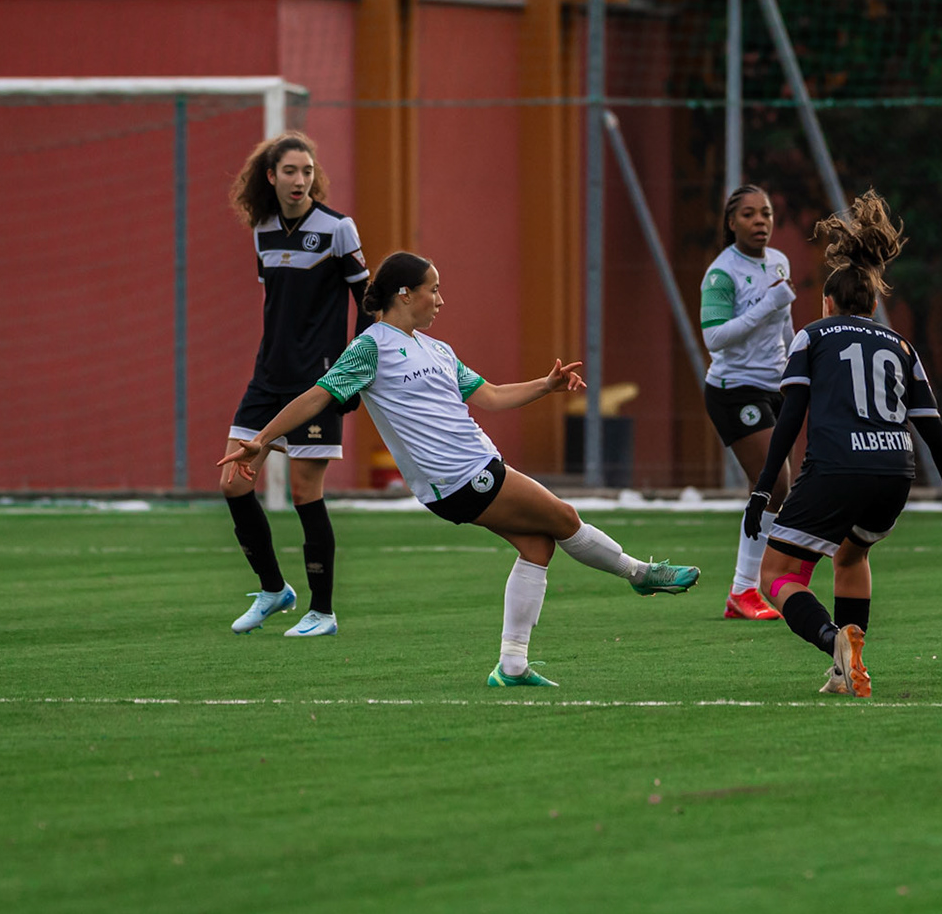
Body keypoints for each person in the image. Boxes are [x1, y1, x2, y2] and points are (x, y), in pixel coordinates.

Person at [220, 251, 701, 686]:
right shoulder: (372, 346)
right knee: (565, 517)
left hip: (474, 471)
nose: (440, 300)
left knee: (538, 545)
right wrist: (260, 440)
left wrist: (547, 384)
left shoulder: (438, 350)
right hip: (459, 477)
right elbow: (319, 394)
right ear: (404, 294)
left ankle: (512, 665)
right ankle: (640, 573)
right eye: (433, 288)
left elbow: (490, 395)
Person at [741, 190, 942, 698]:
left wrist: (764, 490)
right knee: (851, 557)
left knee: (776, 575)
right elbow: (936, 434)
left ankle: (833, 640)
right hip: (895, 476)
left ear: (828, 302)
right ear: (873, 304)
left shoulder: (813, 336)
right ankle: (846, 671)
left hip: (836, 468)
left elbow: (790, 418)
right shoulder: (901, 346)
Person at [221, 132, 369, 638]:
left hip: (319, 382)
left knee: (306, 493)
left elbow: (366, 305)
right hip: (267, 379)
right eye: (290, 171)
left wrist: (352, 374)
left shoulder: (338, 229)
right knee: (233, 482)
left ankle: (322, 612)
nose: (300, 179)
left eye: (307, 171)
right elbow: (278, 310)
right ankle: (272, 590)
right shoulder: (262, 230)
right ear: (271, 176)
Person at [699, 184, 797, 621]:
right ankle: (744, 589)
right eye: (750, 215)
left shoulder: (779, 262)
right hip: (733, 388)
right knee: (774, 483)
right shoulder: (722, 274)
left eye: (767, 213)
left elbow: (785, 323)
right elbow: (714, 337)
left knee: (778, 486)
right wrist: (767, 303)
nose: (761, 222)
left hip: (772, 387)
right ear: (731, 222)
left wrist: (798, 367)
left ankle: (754, 587)